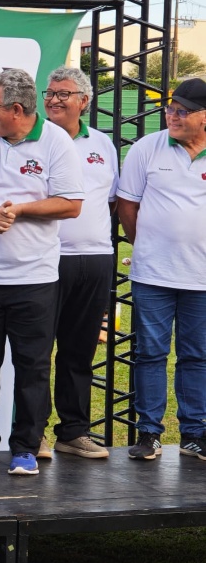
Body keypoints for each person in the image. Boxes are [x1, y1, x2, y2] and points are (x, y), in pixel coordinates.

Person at [0, 68, 83, 476]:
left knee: (33, 368)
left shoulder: (56, 141)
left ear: (17, 110)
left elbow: (71, 204)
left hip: (35, 280)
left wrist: (20, 211)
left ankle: (25, 447)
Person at [116, 77, 206, 462]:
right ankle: (149, 433)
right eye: (170, 109)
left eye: (183, 111)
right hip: (152, 275)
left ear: (205, 117)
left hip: (201, 279)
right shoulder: (146, 148)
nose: (173, 116)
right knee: (150, 353)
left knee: (197, 356)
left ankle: (195, 434)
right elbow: (127, 205)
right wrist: (146, 245)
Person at [40, 66, 116, 460]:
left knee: (79, 351)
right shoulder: (35, 139)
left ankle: (72, 432)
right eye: (50, 93)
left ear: (83, 101)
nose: (54, 100)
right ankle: (32, 433)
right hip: (45, 260)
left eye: (63, 94)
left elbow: (112, 202)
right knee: (37, 351)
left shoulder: (103, 144)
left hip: (96, 260)